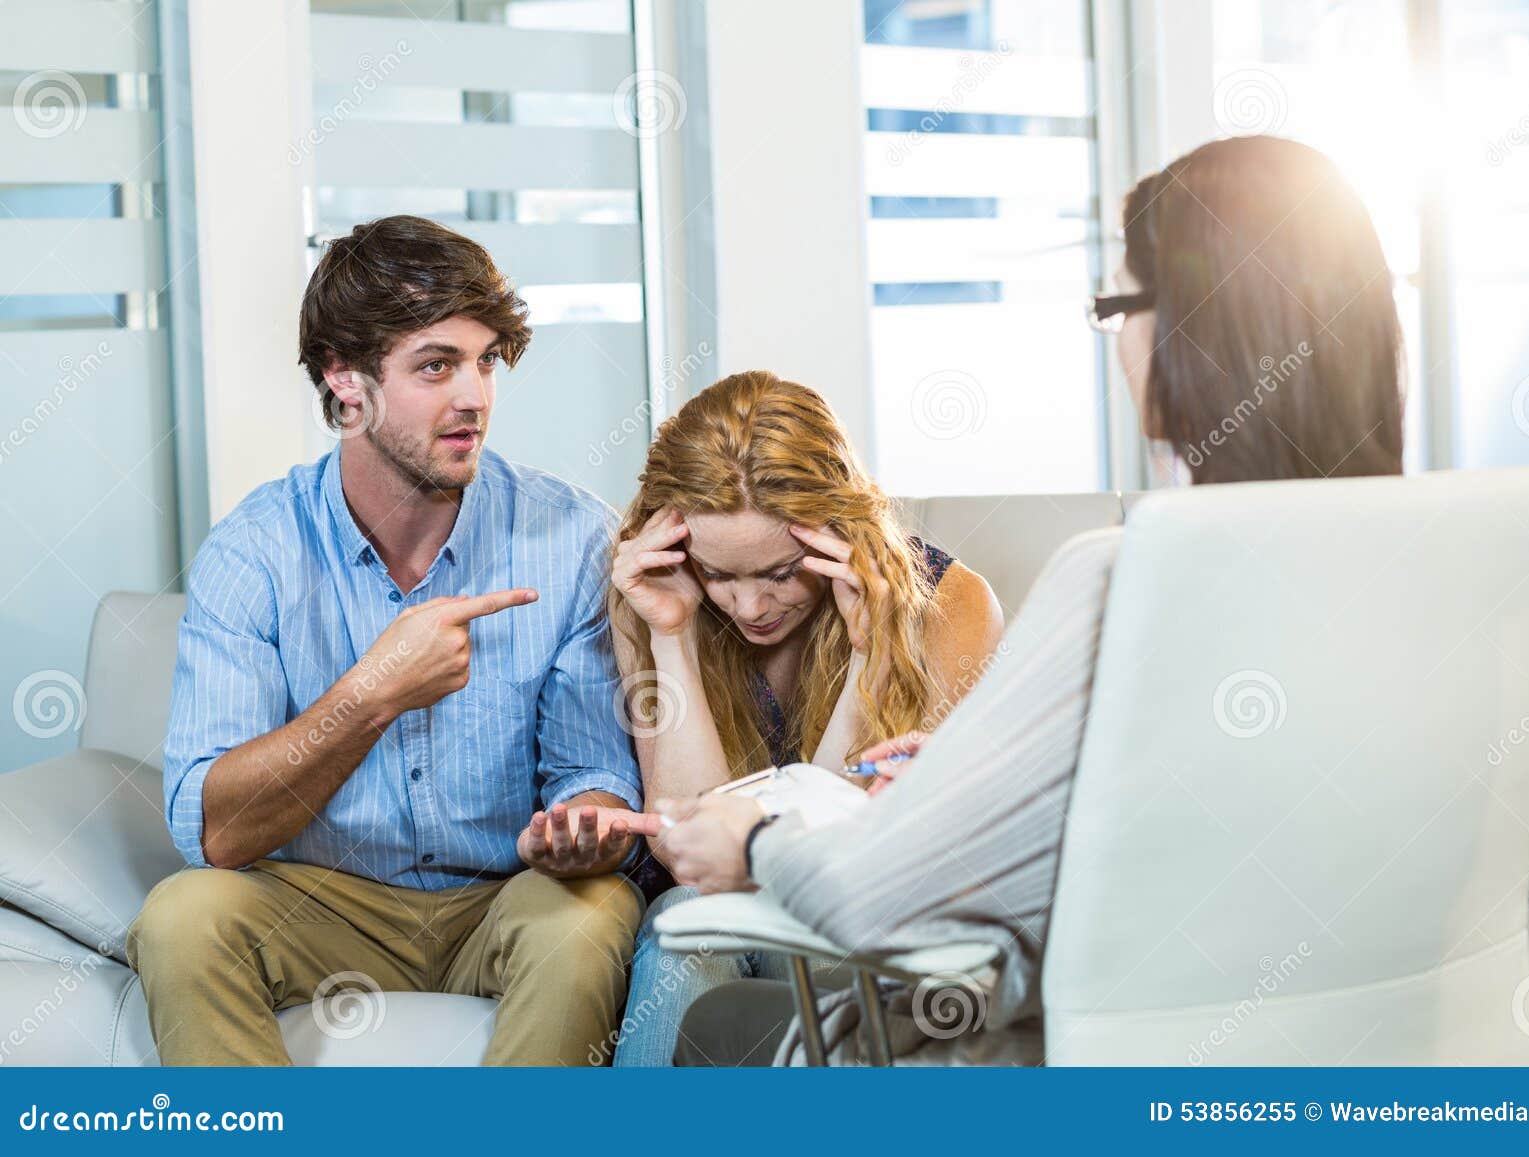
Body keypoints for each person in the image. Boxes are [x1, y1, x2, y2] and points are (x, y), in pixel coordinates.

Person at [659, 135, 1407, 1065]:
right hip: (1365, 1061)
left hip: (1102, 1065)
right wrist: (1002, 774)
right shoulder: (1442, 575)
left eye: (1118, 307)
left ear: (1191, 336)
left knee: (715, 1028)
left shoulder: (1118, 587)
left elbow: (874, 895)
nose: (1118, 341)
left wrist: (758, 838)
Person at [127, 215, 652, 1066]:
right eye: (436, 365)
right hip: (323, 904)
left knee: (592, 915)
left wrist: (584, 824)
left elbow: (594, 770)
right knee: (182, 918)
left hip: (508, 897)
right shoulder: (255, 551)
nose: (474, 396)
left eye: (486, 360)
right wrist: (372, 694)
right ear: (347, 381)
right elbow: (216, 832)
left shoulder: (573, 537)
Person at [606, 370, 1005, 1065]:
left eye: (781, 571)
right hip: (715, 901)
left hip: (863, 911)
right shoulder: (654, 592)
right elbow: (689, 852)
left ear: (840, 531)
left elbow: (846, 851)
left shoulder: (952, 604)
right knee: (683, 922)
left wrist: (870, 656)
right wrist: (671, 636)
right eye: (719, 574)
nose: (751, 607)